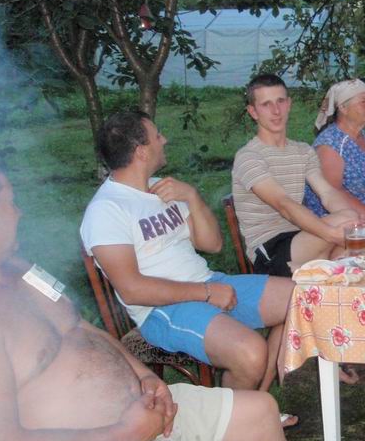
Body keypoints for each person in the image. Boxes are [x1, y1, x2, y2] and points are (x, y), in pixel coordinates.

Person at [0, 155, 304, 441]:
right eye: (10, 202)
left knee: (262, 411)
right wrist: (128, 433)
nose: (19, 212)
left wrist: (144, 376)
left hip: (137, 411)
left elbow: (78, 327)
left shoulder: (21, 270)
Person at [81, 111, 293, 401]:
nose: (164, 139)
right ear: (141, 151)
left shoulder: (162, 188)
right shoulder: (106, 210)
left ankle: (259, 402)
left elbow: (212, 244)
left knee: (301, 298)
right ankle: (235, 423)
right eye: (157, 135)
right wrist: (206, 293)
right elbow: (132, 290)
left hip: (208, 281)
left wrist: (192, 196)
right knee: (250, 352)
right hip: (163, 310)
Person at [231, 74, 359, 277]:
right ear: (253, 112)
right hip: (270, 250)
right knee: (344, 238)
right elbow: (284, 204)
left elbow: (327, 193)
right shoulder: (248, 157)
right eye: (266, 104)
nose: (276, 111)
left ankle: (320, 278)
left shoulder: (302, 151)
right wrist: (332, 234)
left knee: (350, 225)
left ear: (289, 104)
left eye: (280, 101)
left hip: (301, 237)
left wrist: (354, 222)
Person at [302, 79, 365, 226]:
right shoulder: (330, 146)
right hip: (346, 226)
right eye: (363, 102)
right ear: (343, 108)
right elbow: (335, 195)